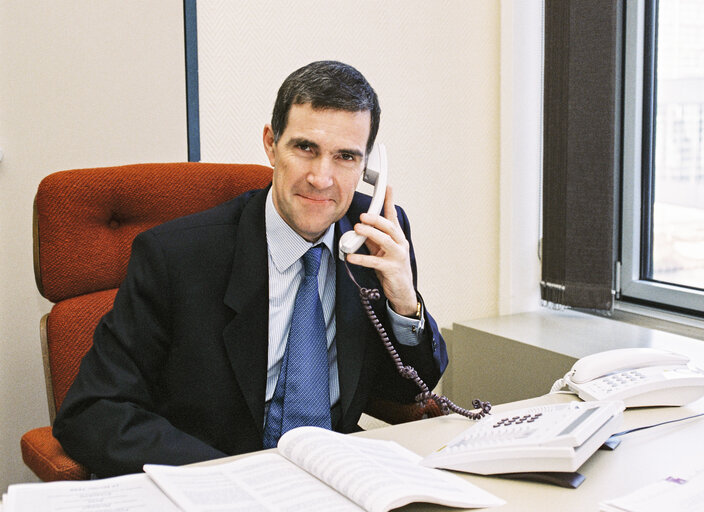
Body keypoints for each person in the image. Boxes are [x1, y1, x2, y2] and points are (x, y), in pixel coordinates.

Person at [53, 60, 448, 478]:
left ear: (368, 166)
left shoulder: (376, 235)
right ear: (271, 144)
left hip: (334, 479)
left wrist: (404, 301)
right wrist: (232, 475)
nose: (321, 177)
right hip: (216, 482)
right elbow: (92, 411)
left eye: (346, 156)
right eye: (305, 148)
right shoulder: (175, 256)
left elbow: (407, 390)